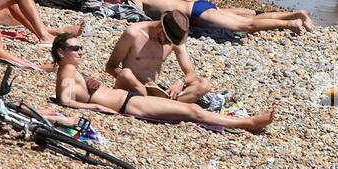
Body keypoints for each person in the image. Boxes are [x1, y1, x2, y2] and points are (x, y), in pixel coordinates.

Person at [50, 34, 274, 131]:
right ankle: (250, 122)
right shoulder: (67, 70)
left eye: (81, 47)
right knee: (193, 111)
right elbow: (65, 100)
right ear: (61, 52)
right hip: (129, 105)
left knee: (191, 109)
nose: (81, 51)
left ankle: (245, 121)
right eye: (75, 48)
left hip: (130, 100)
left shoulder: (68, 69)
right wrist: (95, 107)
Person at [95, 0, 314, 35]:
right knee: (250, 14)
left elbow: (137, 17)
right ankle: (296, 13)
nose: (109, 3)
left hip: (196, 13)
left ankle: (290, 24)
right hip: (197, 5)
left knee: (246, 25)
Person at [104, 11, 212, 104]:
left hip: (155, 92)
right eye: (167, 39)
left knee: (204, 84)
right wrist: (138, 82)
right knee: (126, 74)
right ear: (161, 27)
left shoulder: (174, 39)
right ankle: (166, 106)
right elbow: (110, 67)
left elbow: (191, 73)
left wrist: (181, 82)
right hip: (133, 88)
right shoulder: (134, 34)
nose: (169, 43)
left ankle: (161, 105)